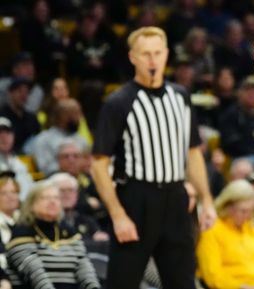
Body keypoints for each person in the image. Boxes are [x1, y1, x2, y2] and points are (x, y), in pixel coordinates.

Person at [90, 26, 217, 289]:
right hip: (136, 199)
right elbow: (98, 164)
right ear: (132, 57)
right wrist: (117, 214)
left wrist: (206, 200)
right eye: (145, 54)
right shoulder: (118, 102)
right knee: (122, 282)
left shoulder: (181, 96)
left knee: (182, 281)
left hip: (175, 198)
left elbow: (193, 153)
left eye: (158, 53)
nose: (152, 60)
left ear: (167, 55)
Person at [6, 179, 100, 289]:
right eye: (45, 198)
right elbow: (34, 272)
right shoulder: (21, 231)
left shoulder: (68, 231)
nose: (52, 202)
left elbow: (83, 265)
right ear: (31, 203)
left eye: (56, 198)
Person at [196, 179, 254, 289]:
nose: (248, 216)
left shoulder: (251, 230)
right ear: (228, 207)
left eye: (251, 211)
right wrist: (242, 287)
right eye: (243, 211)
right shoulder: (211, 230)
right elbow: (212, 276)